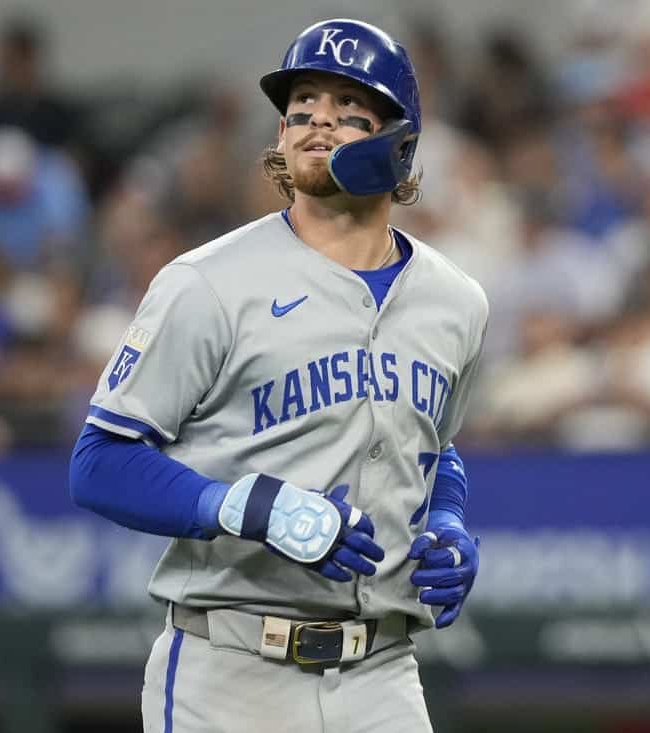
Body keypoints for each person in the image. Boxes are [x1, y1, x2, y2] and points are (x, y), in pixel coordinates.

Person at [69, 18, 489, 733]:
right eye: (300, 110)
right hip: (229, 668)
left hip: (382, 672)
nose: (315, 123)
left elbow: (436, 446)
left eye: (347, 111)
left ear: (401, 144)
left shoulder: (456, 301)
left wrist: (446, 520)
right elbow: (99, 462)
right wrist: (241, 506)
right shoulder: (207, 282)